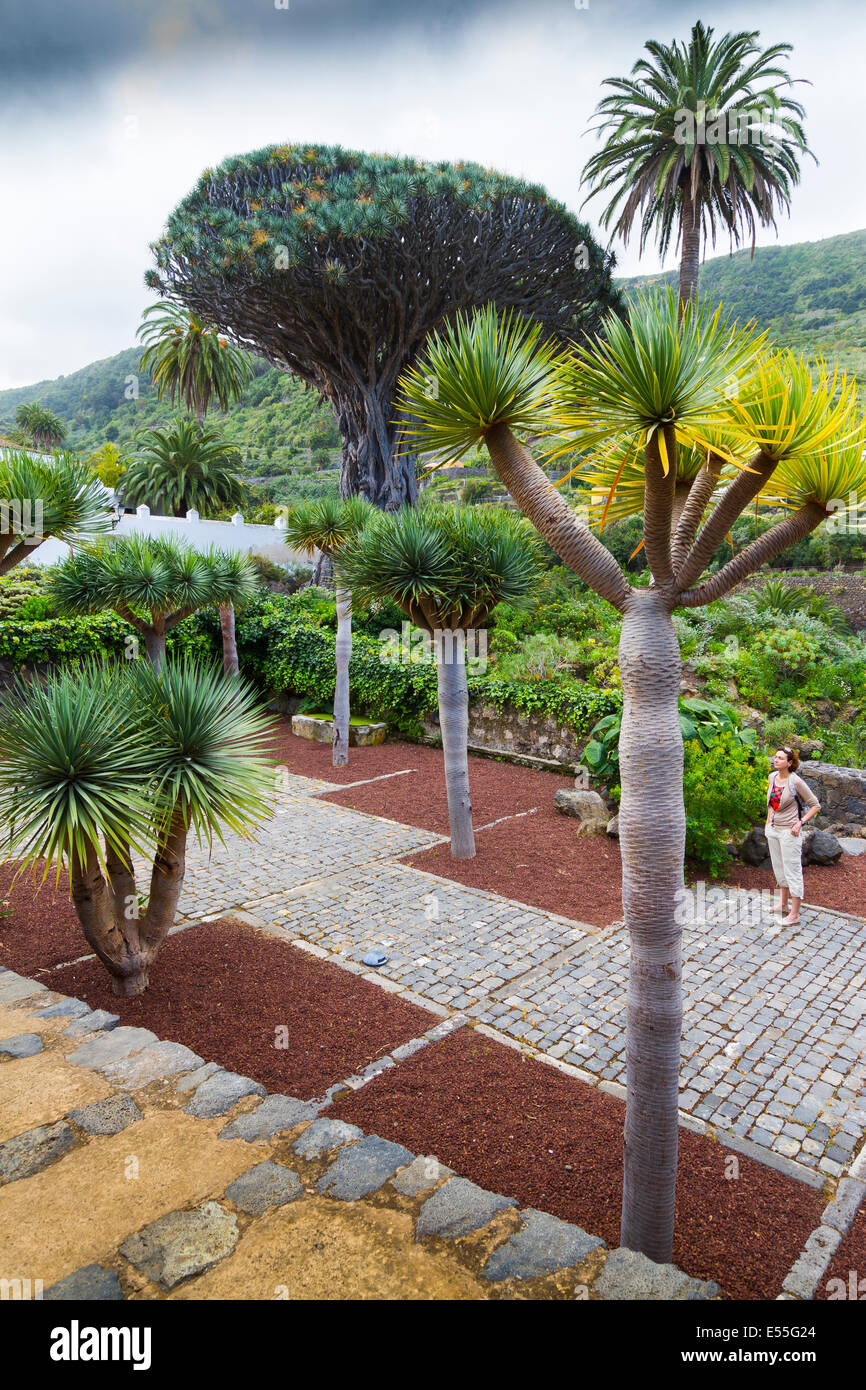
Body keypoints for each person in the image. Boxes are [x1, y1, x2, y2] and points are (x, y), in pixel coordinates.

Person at [765, 747, 821, 926]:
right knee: (779, 868)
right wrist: (768, 822)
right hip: (773, 830)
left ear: (790, 763)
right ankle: (783, 904)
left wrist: (800, 822)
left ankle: (795, 914)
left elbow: (815, 805)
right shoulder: (772, 777)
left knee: (793, 871)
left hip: (789, 833)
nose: (776, 760)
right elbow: (771, 803)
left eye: (781, 758)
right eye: (776, 757)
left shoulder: (795, 782)